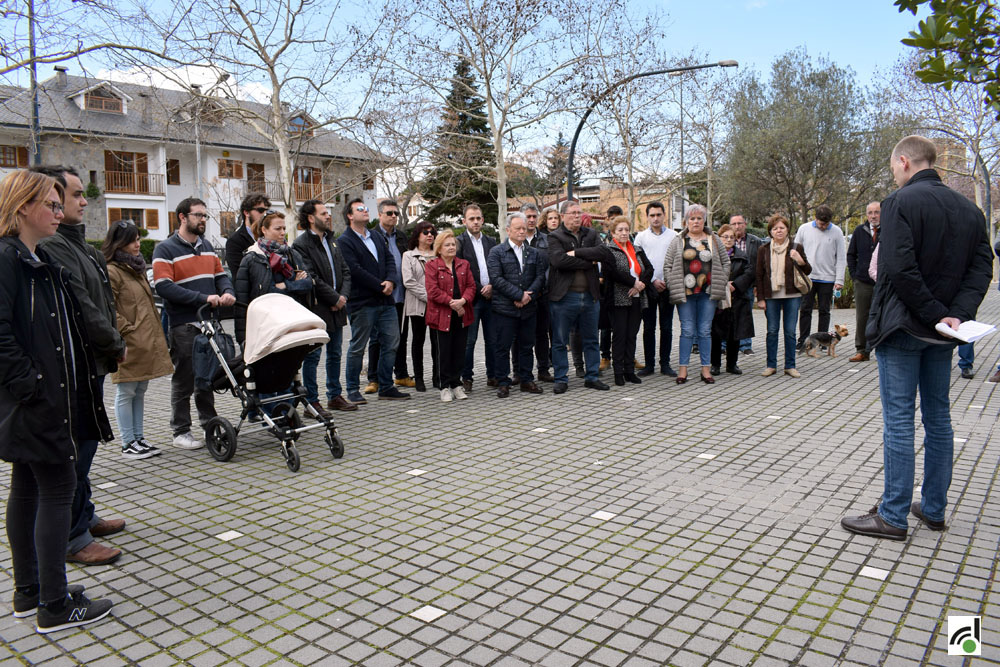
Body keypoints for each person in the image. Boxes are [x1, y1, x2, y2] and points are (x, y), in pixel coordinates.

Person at [842, 135, 992, 541]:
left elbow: (899, 268)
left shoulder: (898, 203)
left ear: (905, 162)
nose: (894, 174)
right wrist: (956, 316)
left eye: (894, 167)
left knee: (899, 422)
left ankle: (892, 515)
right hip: (944, 334)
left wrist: (936, 314)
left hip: (905, 326)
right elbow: (983, 267)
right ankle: (933, 507)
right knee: (938, 419)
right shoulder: (970, 209)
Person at [0, 169, 114, 632]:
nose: (57, 211)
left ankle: (29, 591)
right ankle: (53, 602)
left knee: (27, 489)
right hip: (37, 401)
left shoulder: (31, 258)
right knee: (56, 490)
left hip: (44, 397)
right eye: (49, 203)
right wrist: (32, 386)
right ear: (23, 206)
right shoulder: (8, 259)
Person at [34, 165, 125, 566]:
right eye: (73, 196)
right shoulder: (53, 247)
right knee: (77, 449)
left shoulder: (80, 245)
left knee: (86, 446)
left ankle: (84, 516)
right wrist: (113, 341)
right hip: (76, 364)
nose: (82, 201)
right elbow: (82, 306)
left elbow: (101, 298)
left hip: (93, 361)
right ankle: (73, 536)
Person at [153, 197, 236, 450]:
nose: (202, 220)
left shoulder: (208, 246)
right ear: (182, 217)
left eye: (204, 216)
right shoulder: (165, 249)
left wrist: (227, 291)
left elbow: (221, 276)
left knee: (206, 376)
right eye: (198, 215)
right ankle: (180, 431)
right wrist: (204, 298)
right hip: (184, 325)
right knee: (185, 379)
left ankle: (209, 423)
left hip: (209, 322)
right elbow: (164, 287)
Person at [104, 221, 173, 460]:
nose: (137, 244)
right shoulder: (113, 271)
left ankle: (138, 437)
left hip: (144, 339)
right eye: (133, 240)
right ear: (120, 243)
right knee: (127, 389)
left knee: (140, 388)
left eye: (137, 239)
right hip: (129, 341)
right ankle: (127, 442)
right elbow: (108, 308)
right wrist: (128, 330)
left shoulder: (134, 268)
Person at [338, 198, 409, 403]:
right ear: (350, 216)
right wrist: (381, 285)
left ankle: (386, 386)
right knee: (358, 346)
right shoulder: (345, 241)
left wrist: (391, 281)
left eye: (366, 208)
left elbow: (389, 260)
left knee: (392, 342)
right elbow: (354, 270)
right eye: (360, 209)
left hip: (386, 301)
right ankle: (352, 389)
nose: (365, 211)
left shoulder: (376, 237)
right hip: (362, 302)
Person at [292, 199, 356, 415]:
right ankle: (311, 402)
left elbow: (345, 271)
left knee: (336, 353)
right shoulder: (301, 245)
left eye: (328, 213)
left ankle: (334, 395)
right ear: (311, 218)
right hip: (318, 307)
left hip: (338, 307)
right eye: (323, 213)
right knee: (313, 356)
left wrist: (343, 297)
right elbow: (311, 277)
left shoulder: (332, 240)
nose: (328, 216)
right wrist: (334, 298)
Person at [547, 200, 609, 393]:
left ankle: (592, 376)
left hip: (590, 296)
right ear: (563, 215)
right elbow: (559, 261)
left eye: (579, 213)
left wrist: (577, 253)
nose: (577, 216)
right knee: (559, 340)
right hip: (565, 297)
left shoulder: (590, 234)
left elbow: (603, 252)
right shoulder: (554, 236)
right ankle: (561, 378)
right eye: (573, 213)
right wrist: (587, 262)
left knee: (591, 339)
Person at [664, 205, 730, 385]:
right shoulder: (678, 240)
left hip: (708, 292)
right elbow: (668, 265)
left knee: (704, 331)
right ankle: (683, 370)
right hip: (685, 293)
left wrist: (721, 281)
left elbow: (726, 263)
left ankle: (706, 370)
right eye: (692, 219)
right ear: (686, 222)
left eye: (699, 218)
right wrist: (672, 283)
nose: (695, 222)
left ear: (704, 220)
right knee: (687, 330)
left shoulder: (714, 239)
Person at [488, 213, 545, 396]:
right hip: (504, 309)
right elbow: (496, 279)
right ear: (508, 230)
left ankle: (526, 380)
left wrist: (527, 296)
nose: (522, 231)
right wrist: (518, 295)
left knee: (527, 346)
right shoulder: (497, 252)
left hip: (528, 308)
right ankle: (503, 382)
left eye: (524, 228)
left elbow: (540, 277)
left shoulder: (534, 252)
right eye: (518, 228)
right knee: (503, 347)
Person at [755, 213, 811, 378]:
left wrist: (800, 260)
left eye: (782, 228)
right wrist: (761, 299)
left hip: (792, 295)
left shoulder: (796, 247)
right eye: (775, 228)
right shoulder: (763, 249)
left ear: (787, 230)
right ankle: (771, 365)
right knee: (772, 330)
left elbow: (807, 270)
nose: (778, 231)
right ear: (770, 231)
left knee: (790, 331)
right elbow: (759, 275)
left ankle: (790, 366)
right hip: (771, 295)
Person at [366, 199, 412, 393]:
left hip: (401, 295)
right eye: (389, 213)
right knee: (377, 338)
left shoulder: (402, 237)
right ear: (380, 215)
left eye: (396, 213)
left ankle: (401, 374)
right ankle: (374, 379)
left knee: (400, 336)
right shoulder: (372, 236)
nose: (393, 216)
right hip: (381, 295)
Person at [425, 230, 476, 401]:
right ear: (439, 248)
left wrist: (463, 301)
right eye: (447, 245)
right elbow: (432, 291)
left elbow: (471, 287)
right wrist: (452, 303)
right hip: (441, 316)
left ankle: (456, 384)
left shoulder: (464, 264)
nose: (451, 247)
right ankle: (444, 386)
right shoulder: (432, 266)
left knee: (459, 351)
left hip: (462, 314)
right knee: (443, 352)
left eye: (453, 244)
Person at [603, 217, 653, 385]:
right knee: (619, 336)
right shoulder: (609, 250)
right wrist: (633, 282)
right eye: (620, 230)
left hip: (637, 298)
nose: (624, 233)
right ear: (613, 233)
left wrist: (641, 285)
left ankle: (629, 371)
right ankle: (618, 372)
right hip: (618, 299)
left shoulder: (637, 249)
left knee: (631, 335)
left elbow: (649, 269)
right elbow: (612, 272)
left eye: (626, 229)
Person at [456, 204, 498, 392]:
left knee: (492, 339)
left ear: (483, 220)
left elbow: (498, 267)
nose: (475, 221)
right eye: (471, 218)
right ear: (464, 221)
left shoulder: (491, 241)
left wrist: (492, 286)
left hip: (492, 298)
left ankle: (493, 375)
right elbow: (461, 272)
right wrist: (481, 288)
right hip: (471, 299)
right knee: (469, 341)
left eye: (478, 218)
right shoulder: (459, 242)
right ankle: (467, 377)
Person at [634, 201, 677, 377]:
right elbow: (637, 263)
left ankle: (665, 364)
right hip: (648, 287)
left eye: (659, 214)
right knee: (649, 327)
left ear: (664, 215)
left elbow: (677, 261)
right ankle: (649, 364)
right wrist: (651, 280)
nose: (656, 218)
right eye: (652, 215)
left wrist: (667, 280)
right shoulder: (641, 237)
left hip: (668, 287)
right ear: (647, 217)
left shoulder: (675, 236)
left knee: (666, 327)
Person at [794, 205, 845, 349]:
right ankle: (803, 340)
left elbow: (841, 257)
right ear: (815, 218)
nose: (823, 227)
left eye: (826, 224)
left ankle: (823, 342)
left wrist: (839, 280)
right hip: (808, 278)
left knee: (824, 311)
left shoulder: (837, 232)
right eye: (821, 223)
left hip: (827, 278)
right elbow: (795, 252)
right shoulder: (804, 229)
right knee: (805, 310)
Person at [710, 224, 754, 376]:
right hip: (718, 299)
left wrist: (735, 285)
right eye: (725, 237)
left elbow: (749, 273)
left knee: (734, 334)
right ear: (719, 238)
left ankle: (732, 364)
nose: (728, 240)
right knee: (716, 334)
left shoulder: (741, 256)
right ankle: (715, 365)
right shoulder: (713, 255)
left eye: (731, 237)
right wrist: (723, 284)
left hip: (737, 299)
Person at [402, 222, 439, 392]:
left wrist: (437, 298)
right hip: (418, 304)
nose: (429, 235)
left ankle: (437, 377)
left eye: (432, 232)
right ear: (417, 235)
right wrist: (428, 296)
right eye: (425, 232)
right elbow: (408, 281)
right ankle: (418, 378)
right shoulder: (409, 255)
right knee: (418, 340)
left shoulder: (439, 255)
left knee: (437, 342)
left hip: (438, 305)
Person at [523, 204, 553, 382]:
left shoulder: (547, 240)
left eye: (534, 216)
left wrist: (537, 288)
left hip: (542, 295)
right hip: (521, 297)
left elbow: (550, 267)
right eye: (528, 216)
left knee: (542, 335)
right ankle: (520, 372)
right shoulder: (514, 239)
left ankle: (543, 369)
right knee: (520, 337)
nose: (532, 219)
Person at [846, 202, 880, 361]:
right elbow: (851, 255)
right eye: (870, 213)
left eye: (877, 212)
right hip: (863, 282)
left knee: (883, 315)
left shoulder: (889, 230)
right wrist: (854, 276)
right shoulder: (860, 231)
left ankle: (882, 349)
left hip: (882, 282)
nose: (873, 216)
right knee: (862, 317)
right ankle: (862, 350)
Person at [730, 214, 762, 355]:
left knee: (745, 315)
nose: (737, 226)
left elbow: (759, 265)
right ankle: (725, 345)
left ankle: (745, 344)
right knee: (725, 315)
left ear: (745, 224)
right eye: (734, 224)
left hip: (747, 285)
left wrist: (757, 285)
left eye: (740, 223)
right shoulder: (724, 240)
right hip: (728, 286)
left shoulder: (755, 241)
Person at [225, 193, 270, 274]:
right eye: (260, 210)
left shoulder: (269, 237)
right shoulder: (234, 241)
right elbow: (239, 275)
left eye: (267, 211)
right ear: (246, 213)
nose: (265, 214)